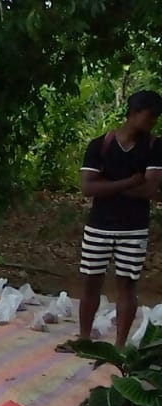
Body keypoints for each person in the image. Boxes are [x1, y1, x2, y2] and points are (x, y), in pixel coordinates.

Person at [57, 89, 162, 351]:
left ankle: (119, 348)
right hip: (99, 226)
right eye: (150, 116)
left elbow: (149, 190)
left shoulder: (155, 147)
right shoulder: (100, 145)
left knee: (126, 285)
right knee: (91, 282)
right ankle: (84, 339)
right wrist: (130, 182)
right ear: (134, 113)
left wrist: (107, 185)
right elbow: (87, 187)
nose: (154, 122)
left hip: (134, 229)